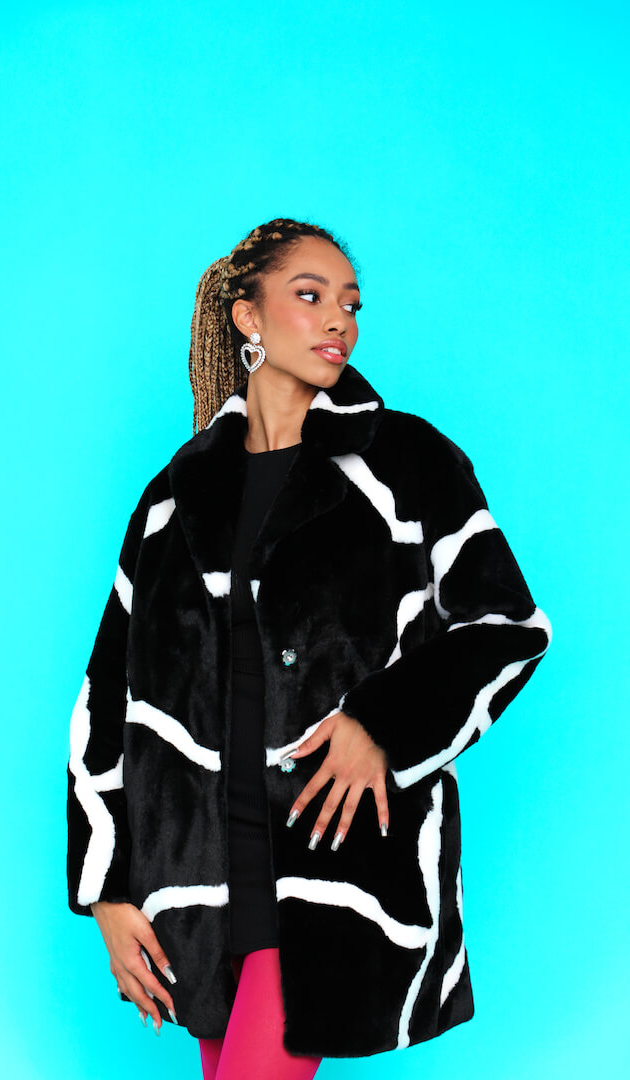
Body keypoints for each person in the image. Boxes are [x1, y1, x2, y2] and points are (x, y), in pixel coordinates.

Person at [66, 218, 552, 1078]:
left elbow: (506, 627)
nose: (339, 321)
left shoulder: (407, 464)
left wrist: (381, 724)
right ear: (248, 316)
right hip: (200, 882)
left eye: (351, 304)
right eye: (311, 295)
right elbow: (107, 698)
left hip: (335, 867)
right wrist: (107, 887)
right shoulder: (172, 501)